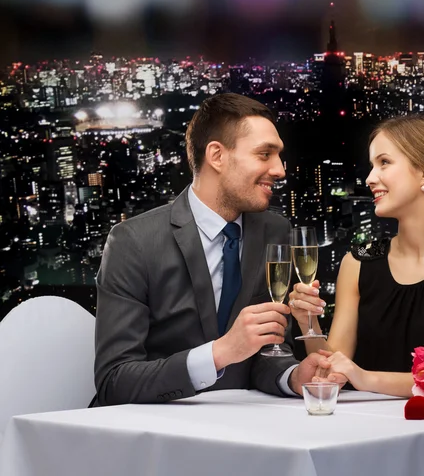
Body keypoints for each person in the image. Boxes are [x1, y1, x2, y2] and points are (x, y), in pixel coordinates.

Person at [94, 93, 332, 406]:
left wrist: (291, 377)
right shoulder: (134, 241)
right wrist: (220, 353)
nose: (280, 170)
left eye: (279, 156)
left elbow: (268, 352)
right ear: (216, 156)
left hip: (242, 428)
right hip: (153, 434)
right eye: (265, 155)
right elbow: (114, 381)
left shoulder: (274, 231)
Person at [288, 113, 424, 397]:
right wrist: (309, 323)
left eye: (384, 163)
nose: (369, 178)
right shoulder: (357, 262)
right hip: (362, 427)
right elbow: (331, 370)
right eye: (372, 165)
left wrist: (364, 378)